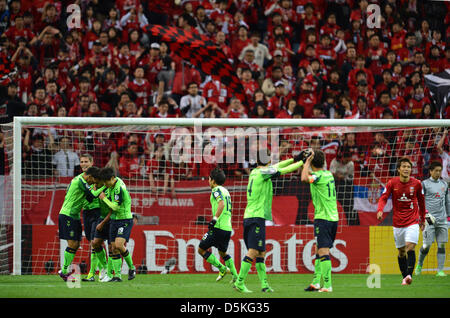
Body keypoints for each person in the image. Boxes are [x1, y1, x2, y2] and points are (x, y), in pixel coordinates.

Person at [233, 150, 308, 293]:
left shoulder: (256, 172)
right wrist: (301, 163)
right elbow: (282, 170)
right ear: (268, 161)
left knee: (261, 252)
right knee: (254, 251)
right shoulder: (263, 173)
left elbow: (278, 166)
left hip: (251, 216)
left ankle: (264, 285)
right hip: (256, 217)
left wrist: (295, 158)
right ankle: (239, 282)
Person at [377, 157, 426, 286]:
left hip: (412, 221)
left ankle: (409, 274)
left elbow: (421, 202)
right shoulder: (392, 183)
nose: (406, 169)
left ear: (411, 169)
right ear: (399, 169)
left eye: (408, 167)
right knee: (401, 252)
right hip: (398, 223)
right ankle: (405, 276)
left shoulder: (417, 184)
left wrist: (421, 218)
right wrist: (380, 210)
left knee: (410, 246)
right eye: (403, 166)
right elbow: (383, 197)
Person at [301, 149, 339, 293]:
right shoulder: (328, 174)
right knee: (319, 249)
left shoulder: (317, 177)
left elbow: (304, 178)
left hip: (323, 219)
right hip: (333, 218)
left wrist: (306, 162)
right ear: (324, 162)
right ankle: (316, 282)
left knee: (323, 251)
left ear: (312, 163)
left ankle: (327, 285)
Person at [58, 166, 104, 281]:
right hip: (67, 214)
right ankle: (64, 271)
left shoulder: (83, 182)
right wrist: (105, 185)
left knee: (77, 243)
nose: (93, 182)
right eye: (92, 180)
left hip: (75, 216)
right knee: (73, 243)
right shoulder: (80, 181)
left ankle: (64, 271)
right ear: (89, 176)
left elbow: (89, 198)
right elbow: (93, 195)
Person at [197, 167, 238, 282]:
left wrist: (214, 219)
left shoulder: (216, 190)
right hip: (227, 228)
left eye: (209, 179)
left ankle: (222, 268)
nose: (208, 181)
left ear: (213, 180)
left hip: (218, 227)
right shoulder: (226, 191)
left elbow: (221, 204)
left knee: (201, 250)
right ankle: (236, 276)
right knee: (223, 252)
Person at [97, 167, 136, 282]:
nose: (105, 184)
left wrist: (104, 198)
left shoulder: (119, 188)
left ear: (113, 178)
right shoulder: (112, 184)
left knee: (119, 245)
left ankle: (132, 268)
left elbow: (115, 207)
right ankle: (117, 276)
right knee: (114, 248)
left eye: (106, 182)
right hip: (114, 220)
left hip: (124, 219)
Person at [415, 161, 450, 277]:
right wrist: (424, 214)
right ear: (430, 171)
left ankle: (440, 270)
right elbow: (419, 201)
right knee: (427, 246)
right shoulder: (424, 184)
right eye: (436, 171)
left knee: (441, 245)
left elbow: (447, 201)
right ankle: (419, 264)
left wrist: (448, 216)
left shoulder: (444, 184)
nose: (438, 173)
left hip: (442, 219)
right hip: (429, 218)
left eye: (440, 171)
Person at [79, 154, 104, 282]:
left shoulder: (97, 177)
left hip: (98, 212)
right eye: (82, 162)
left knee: (96, 242)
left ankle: (94, 273)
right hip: (86, 213)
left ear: (92, 162)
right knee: (92, 243)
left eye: (86, 161)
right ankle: (101, 271)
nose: (84, 164)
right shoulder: (79, 179)